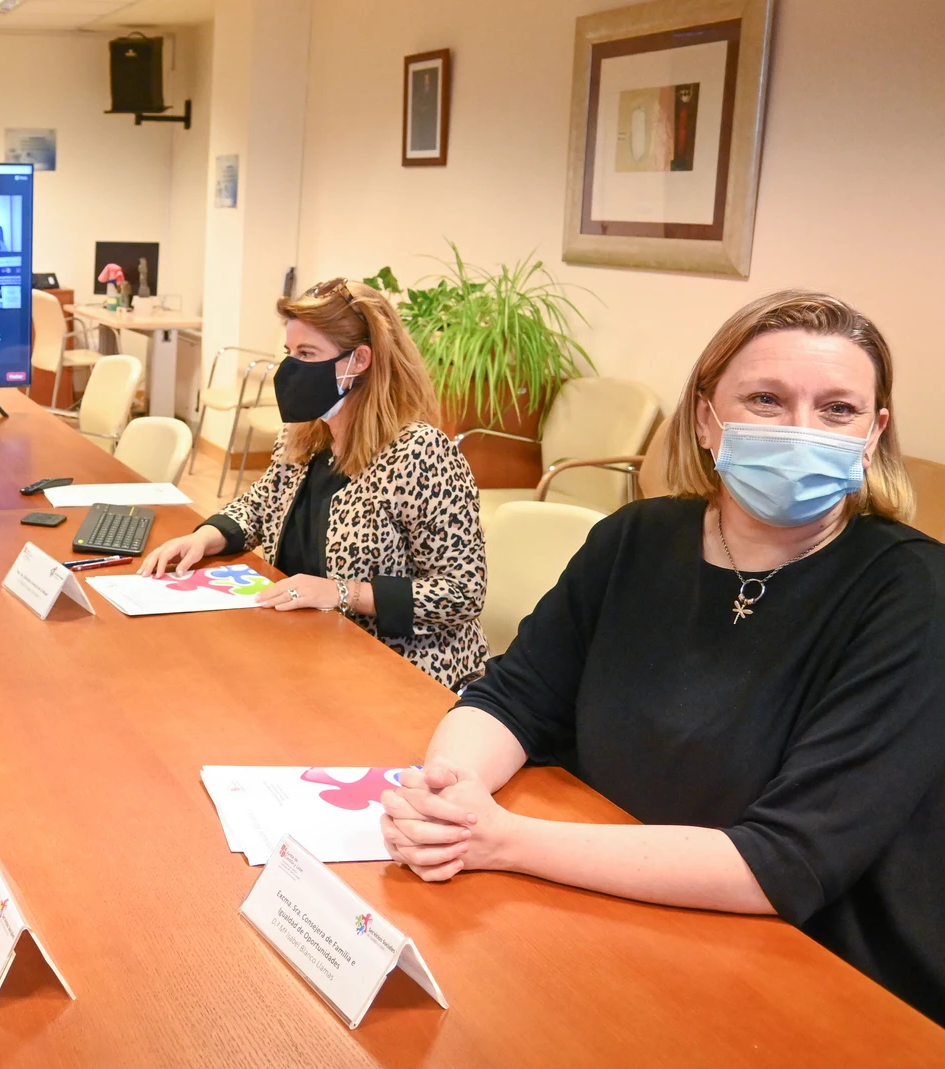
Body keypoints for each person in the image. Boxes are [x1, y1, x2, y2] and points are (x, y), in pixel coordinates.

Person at [380, 291, 945, 1024]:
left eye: (838, 409)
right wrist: (446, 798)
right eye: (767, 399)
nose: (803, 430)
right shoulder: (637, 538)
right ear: (707, 418)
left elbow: (783, 862)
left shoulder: (915, 593)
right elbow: (510, 697)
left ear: (873, 435)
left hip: (811, 970)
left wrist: (506, 840)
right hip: (610, 911)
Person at [141, 278, 487, 688]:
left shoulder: (420, 454)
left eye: (307, 354)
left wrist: (344, 593)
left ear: (359, 360)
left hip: (397, 667)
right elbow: (261, 505)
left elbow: (462, 593)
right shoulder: (306, 433)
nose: (292, 369)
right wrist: (207, 537)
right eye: (289, 353)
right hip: (303, 646)